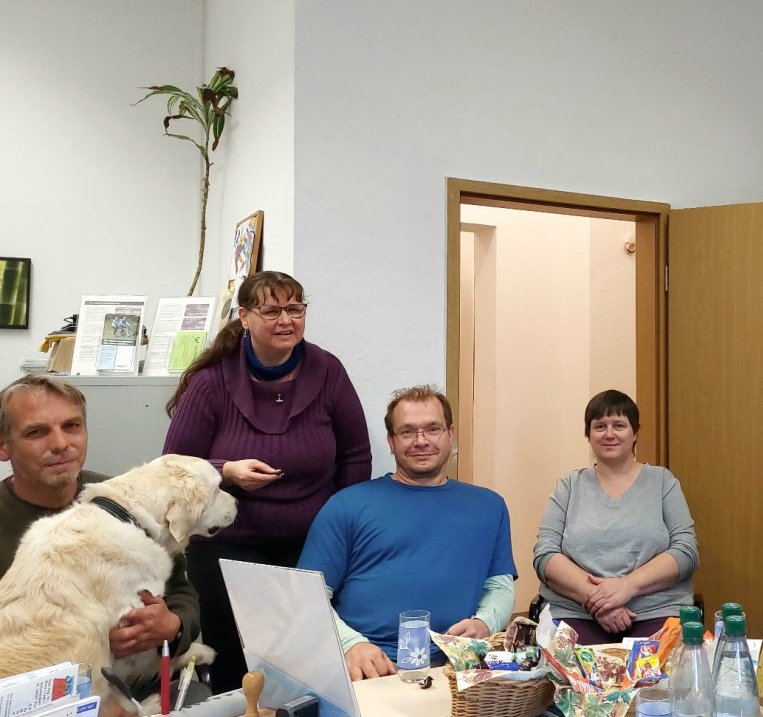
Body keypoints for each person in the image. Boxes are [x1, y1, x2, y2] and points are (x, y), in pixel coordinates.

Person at [163, 270, 372, 693]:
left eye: (295, 309)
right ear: (244, 317)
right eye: (271, 310)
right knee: (238, 669)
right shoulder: (212, 381)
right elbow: (174, 466)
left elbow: (355, 455)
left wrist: (343, 527)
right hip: (226, 549)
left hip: (310, 547)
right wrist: (227, 472)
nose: (285, 320)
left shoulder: (328, 371)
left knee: (307, 662)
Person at [297, 385, 516, 681]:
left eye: (433, 429)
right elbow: (306, 597)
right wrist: (352, 645)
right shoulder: (346, 506)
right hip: (369, 671)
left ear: (451, 435)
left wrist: (485, 623)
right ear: (391, 441)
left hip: (456, 671)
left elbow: (500, 587)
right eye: (407, 432)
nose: (421, 441)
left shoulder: (490, 506)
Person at [0, 374, 201, 686]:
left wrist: (172, 626)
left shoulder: (129, 501)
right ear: (3, 446)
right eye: (36, 432)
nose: (61, 444)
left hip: (136, 687)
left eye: (72, 426)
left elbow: (180, 591)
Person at [533, 389, 699, 645]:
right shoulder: (568, 486)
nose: (609, 434)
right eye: (600, 426)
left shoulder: (663, 482)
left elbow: (686, 551)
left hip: (657, 612)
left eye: (619, 425)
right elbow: (545, 555)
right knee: (578, 680)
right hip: (577, 614)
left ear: (635, 433)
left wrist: (627, 587)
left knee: (655, 681)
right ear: (588, 434)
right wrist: (597, 599)